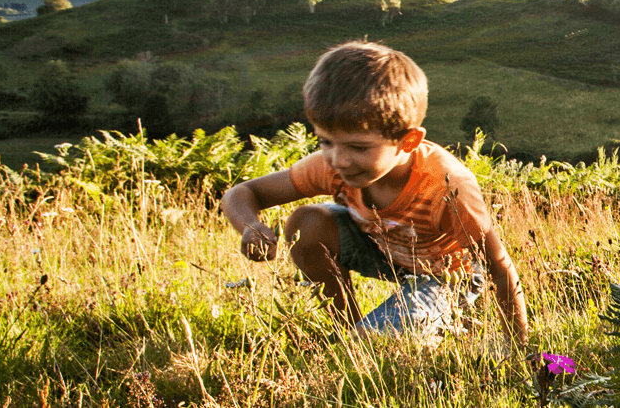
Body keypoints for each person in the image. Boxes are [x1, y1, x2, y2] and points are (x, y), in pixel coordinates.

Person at [220, 41, 528, 342]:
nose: (338, 159)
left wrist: (515, 348)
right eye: (326, 141)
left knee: (382, 344)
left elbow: (498, 267)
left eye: (358, 146)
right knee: (307, 224)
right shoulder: (334, 166)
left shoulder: (446, 186)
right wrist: (251, 226)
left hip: (449, 275)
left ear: (407, 141)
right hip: (388, 254)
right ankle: (347, 331)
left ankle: (418, 324)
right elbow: (243, 193)